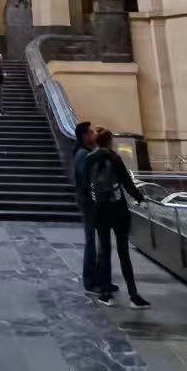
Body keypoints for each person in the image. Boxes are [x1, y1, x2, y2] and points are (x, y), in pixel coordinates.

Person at [87, 127, 150, 308]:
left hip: (99, 211)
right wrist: (140, 198)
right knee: (124, 253)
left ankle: (105, 294)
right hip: (118, 210)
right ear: (109, 141)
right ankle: (133, 295)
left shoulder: (89, 159)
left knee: (104, 252)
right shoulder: (114, 158)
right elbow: (127, 182)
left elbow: (82, 183)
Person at [73, 121, 103, 296]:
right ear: (84, 136)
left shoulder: (84, 152)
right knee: (91, 241)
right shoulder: (83, 154)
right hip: (89, 201)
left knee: (94, 240)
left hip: (87, 200)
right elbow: (85, 180)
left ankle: (96, 278)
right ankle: (90, 281)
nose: (93, 135)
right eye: (90, 133)